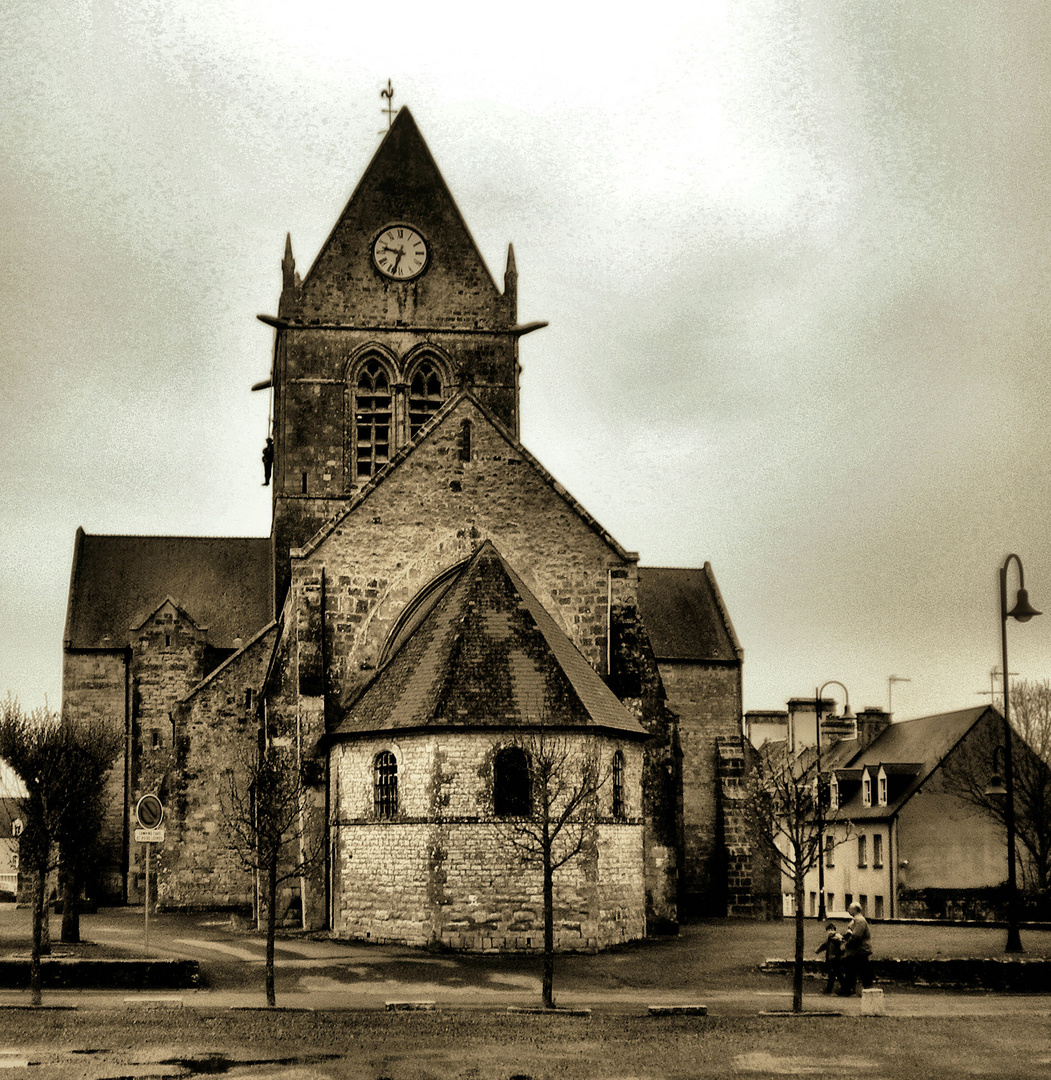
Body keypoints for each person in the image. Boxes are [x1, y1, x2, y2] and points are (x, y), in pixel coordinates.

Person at [839, 901, 873, 996]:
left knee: (858, 970)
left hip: (859, 950)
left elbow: (856, 936)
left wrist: (847, 944)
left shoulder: (859, 920)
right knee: (853, 970)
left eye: (850, 908)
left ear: (855, 909)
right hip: (857, 950)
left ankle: (854, 989)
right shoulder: (856, 920)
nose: (848, 910)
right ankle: (849, 989)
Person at [815, 920, 844, 994]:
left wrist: (837, 955)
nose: (830, 932)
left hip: (836, 959)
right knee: (835, 974)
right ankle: (842, 988)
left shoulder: (837, 938)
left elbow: (842, 947)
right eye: (828, 930)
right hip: (832, 959)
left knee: (835, 974)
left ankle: (831, 990)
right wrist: (818, 950)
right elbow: (825, 945)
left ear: (834, 930)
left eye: (832, 930)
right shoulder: (830, 938)